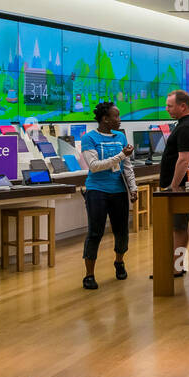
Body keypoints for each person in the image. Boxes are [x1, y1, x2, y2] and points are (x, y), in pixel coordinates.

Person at [79, 101, 137, 290]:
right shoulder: (89, 138)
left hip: (118, 191)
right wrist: (121, 155)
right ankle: (89, 275)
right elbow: (94, 166)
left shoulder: (120, 136)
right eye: (116, 116)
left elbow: (127, 166)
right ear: (105, 119)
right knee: (95, 232)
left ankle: (119, 262)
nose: (119, 120)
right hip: (97, 190)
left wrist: (133, 187)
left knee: (121, 231)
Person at [156, 89, 189, 278]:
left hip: (181, 186)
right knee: (181, 226)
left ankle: (176, 267)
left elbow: (184, 159)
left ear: (182, 106)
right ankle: (178, 265)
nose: (167, 109)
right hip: (185, 185)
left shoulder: (187, 127)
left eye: (170, 106)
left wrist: (173, 186)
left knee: (178, 228)